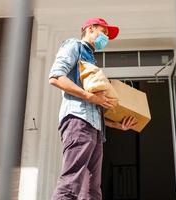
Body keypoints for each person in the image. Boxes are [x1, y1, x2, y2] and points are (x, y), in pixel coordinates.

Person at [48, 17, 138, 200]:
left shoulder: (92, 61)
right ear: (90, 29)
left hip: (95, 131)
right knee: (71, 183)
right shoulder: (74, 45)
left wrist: (117, 125)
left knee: (92, 191)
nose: (105, 38)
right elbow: (56, 77)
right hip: (78, 123)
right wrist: (90, 96)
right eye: (103, 32)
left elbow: (95, 110)